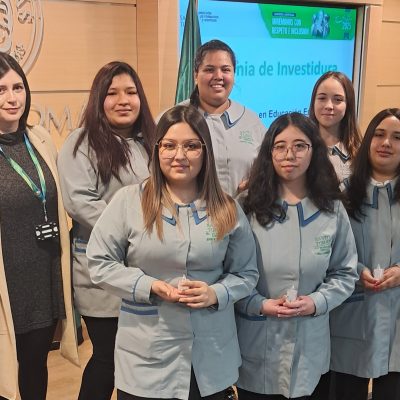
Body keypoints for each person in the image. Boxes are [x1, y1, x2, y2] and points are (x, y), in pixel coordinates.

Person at [86, 105, 259, 400]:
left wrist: (216, 293)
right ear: (156, 150)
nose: (179, 155)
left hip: (210, 355)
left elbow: (246, 273)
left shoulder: (227, 207)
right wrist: (148, 285)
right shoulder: (129, 201)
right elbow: (99, 262)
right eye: (169, 145)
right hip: (146, 358)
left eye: (191, 146)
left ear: (205, 152)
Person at [235, 112, 358, 400]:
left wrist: (317, 302)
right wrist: (259, 304)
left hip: (310, 348)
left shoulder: (332, 209)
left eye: (300, 146)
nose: (289, 154)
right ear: (269, 153)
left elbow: (345, 272)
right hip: (256, 344)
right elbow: (231, 273)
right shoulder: (246, 206)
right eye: (279, 146)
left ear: (314, 150)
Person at [57, 61, 155, 400]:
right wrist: (135, 230)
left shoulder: (151, 141)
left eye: (131, 92)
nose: (123, 100)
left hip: (146, 268)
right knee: (107, 358)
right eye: (112, 93)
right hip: (101, 274)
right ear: (98, 99)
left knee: (136, 359)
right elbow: (80, 202)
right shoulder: (80, 143)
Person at [0, 53, 79, 400]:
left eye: (17, 87)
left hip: (43, 278)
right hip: (6, 284)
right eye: (1, 89)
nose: (12, 98)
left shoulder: (40, 138)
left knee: (35, 367)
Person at [330, 108, 400, 400]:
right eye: (379, 135)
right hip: (351, 315)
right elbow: (327, 249)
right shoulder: (343, 193)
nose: (386, 143)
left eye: (397, 137)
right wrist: (356, 269)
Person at [185, 39, 266, 197]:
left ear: (234, 75)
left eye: (225, 69)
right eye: (209, 69)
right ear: (195, 75)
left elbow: (268, 168)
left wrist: (256, 183)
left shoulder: (252, 121)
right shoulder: (175, 119)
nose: (218, 76)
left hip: (241, 211)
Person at [309, 71, 361, 183]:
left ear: (348, 105)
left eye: (338, 99)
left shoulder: (361, 154)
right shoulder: (301, 148)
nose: (329, 106)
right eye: (322, 98)